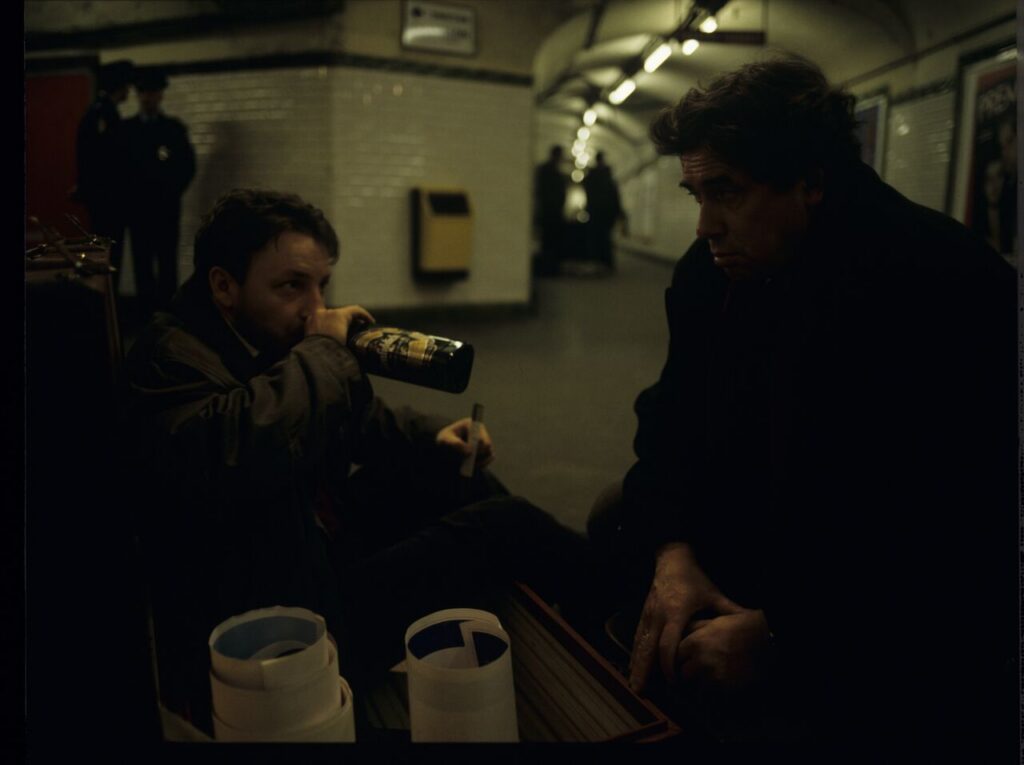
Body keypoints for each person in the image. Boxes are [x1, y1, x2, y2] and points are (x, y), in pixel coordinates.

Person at [588, 55, 1016, 744]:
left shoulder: (947, 285)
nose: (705, 227)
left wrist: (785, 635)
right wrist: (674, 553)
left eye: (726, 192)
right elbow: (670, 419)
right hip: (754, 545)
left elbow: (960, 526)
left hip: (873, 608)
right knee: (614, 522)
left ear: (813, 181)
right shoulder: (711, 274)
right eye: (696, 195)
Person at [121, 189, 598, 733]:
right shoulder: (167, 363)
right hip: (295, 624)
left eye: (321, 286)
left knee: (455, 474)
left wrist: (432, 435)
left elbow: (354, 419)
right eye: (291, 286)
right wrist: (325, 350)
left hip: (310, 538)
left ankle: (551, 624)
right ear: (224, 285)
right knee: (508, 526)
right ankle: (618, 609)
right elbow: (240, 448)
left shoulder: (249, 335)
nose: (314, 307)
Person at [123, 68, 196, 318]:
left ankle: (168, 317)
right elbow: (118, 169)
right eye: (142, 92)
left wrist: (170, 192)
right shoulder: (127, 130)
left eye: (152, 92)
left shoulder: (173, 130)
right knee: (142, 264)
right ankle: (146, 317)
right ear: (137, 95)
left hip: (165, 208)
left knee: (167, 264)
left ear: (160, 95)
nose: (147, 98)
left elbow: (187, 167)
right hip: (138, 210)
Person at [74, 59, 134, 284]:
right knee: (109, 260)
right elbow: (111, 161)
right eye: (127, 85)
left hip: (102, 199)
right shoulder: (106, 115)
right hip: (110, 201)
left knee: (104, 257)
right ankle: (107, 311)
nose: (129, 90)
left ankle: (104, 309)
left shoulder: (96, 112)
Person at [582, 152, 626, 271]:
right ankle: (606, 263)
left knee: (595, 238)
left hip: (595, 212)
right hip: (607, 213)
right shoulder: (608, 178)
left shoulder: (591, 176)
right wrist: (619, 213)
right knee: (605, 238)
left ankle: (596, 262)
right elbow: (615, 196)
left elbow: (586, 188)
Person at [534, 145, 568, 273]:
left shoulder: (546, 170)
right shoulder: (548, 171)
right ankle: (549, 267)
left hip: (551, 212)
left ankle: (550, 266)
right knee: (550, 241)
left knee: (549, 241)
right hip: (550, 212)